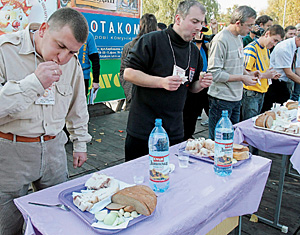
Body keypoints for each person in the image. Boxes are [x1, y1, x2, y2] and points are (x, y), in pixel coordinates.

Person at [0, 7, 92, 234]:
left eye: (72, 52)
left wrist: (80, 143)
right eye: (60, 46)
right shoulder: (5, 51)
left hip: (55, 149)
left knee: (60, 217)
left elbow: (78, 106)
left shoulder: (71, 63)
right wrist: (34, 83)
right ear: (43, 30)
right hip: (11, 152)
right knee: (9, 224)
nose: (63, 59)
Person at [123, 0, 213, 161]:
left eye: (201, 23)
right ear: (178, 19)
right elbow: (129, 73)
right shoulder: (152, 41)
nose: (199, 27)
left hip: (175, 130)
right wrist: (161, 82)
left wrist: (202, 84)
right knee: (137, 182)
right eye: (194, 21)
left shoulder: (194, 51)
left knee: (170, 179)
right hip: (144, 130)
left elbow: (191, 87)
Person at [207, 6, 260, 140]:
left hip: (236, 97)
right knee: (217, 141)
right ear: (238, 23)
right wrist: (242, 77)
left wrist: (248, 74)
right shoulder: (221, 39)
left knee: (231, 139)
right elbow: (215, 73)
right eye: (249, 25)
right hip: (221, 99)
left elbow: (237, 65)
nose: (251, 29)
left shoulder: (238, 38)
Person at [242, 25, 284, 121]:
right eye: (274, 40)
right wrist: (266, 75)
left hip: (261, 91)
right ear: (267, 34)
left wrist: (271, 75)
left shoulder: (266, 49)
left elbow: (263, 70)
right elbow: (245, 75)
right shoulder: (251, 49)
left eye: (277, 42)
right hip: (251, 92)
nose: (274, 44)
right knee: (250, 122)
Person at [119, 13, 157, 111]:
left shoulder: (128, 47)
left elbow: (122, 72)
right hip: (141, 97)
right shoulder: (160, 47)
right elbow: (124, 73)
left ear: (140, 26)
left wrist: (130, 95)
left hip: (145, 97)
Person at [262, 34, 300, 111]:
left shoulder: (296, 48)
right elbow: (288, 73)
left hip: (283, 81)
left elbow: (297, 69)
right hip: (275, 81)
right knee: (270, 109)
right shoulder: (284, 48)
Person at [78, 31, 100, 97]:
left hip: (83, 76)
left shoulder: (88, 35)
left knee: (81, 103)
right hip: (66, 76)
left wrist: (96, 81)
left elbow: (95, 60)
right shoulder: (66, 33)